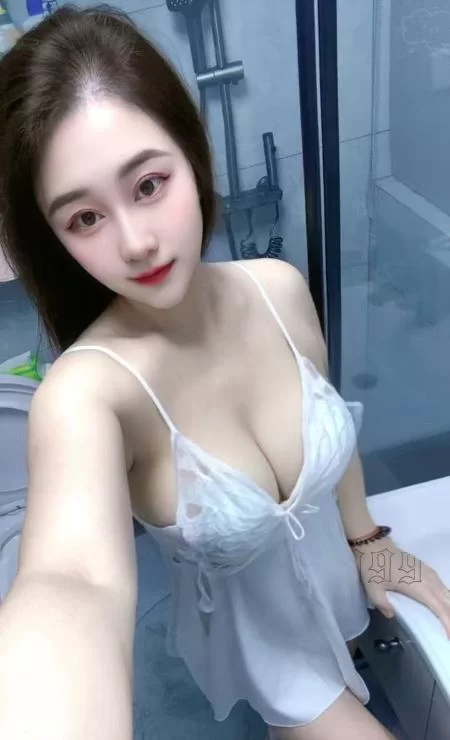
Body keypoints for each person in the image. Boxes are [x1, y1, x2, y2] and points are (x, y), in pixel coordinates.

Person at [0, 6, 449, 740]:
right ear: (56, 238)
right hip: (269, 659)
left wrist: (369, 543)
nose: (136, 243)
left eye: (149, 185)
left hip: (336, 595)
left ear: (194, 152)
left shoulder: (278, 289)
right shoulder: (86, 395)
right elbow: (69, 581)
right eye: (85, 218)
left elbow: (331, 430)